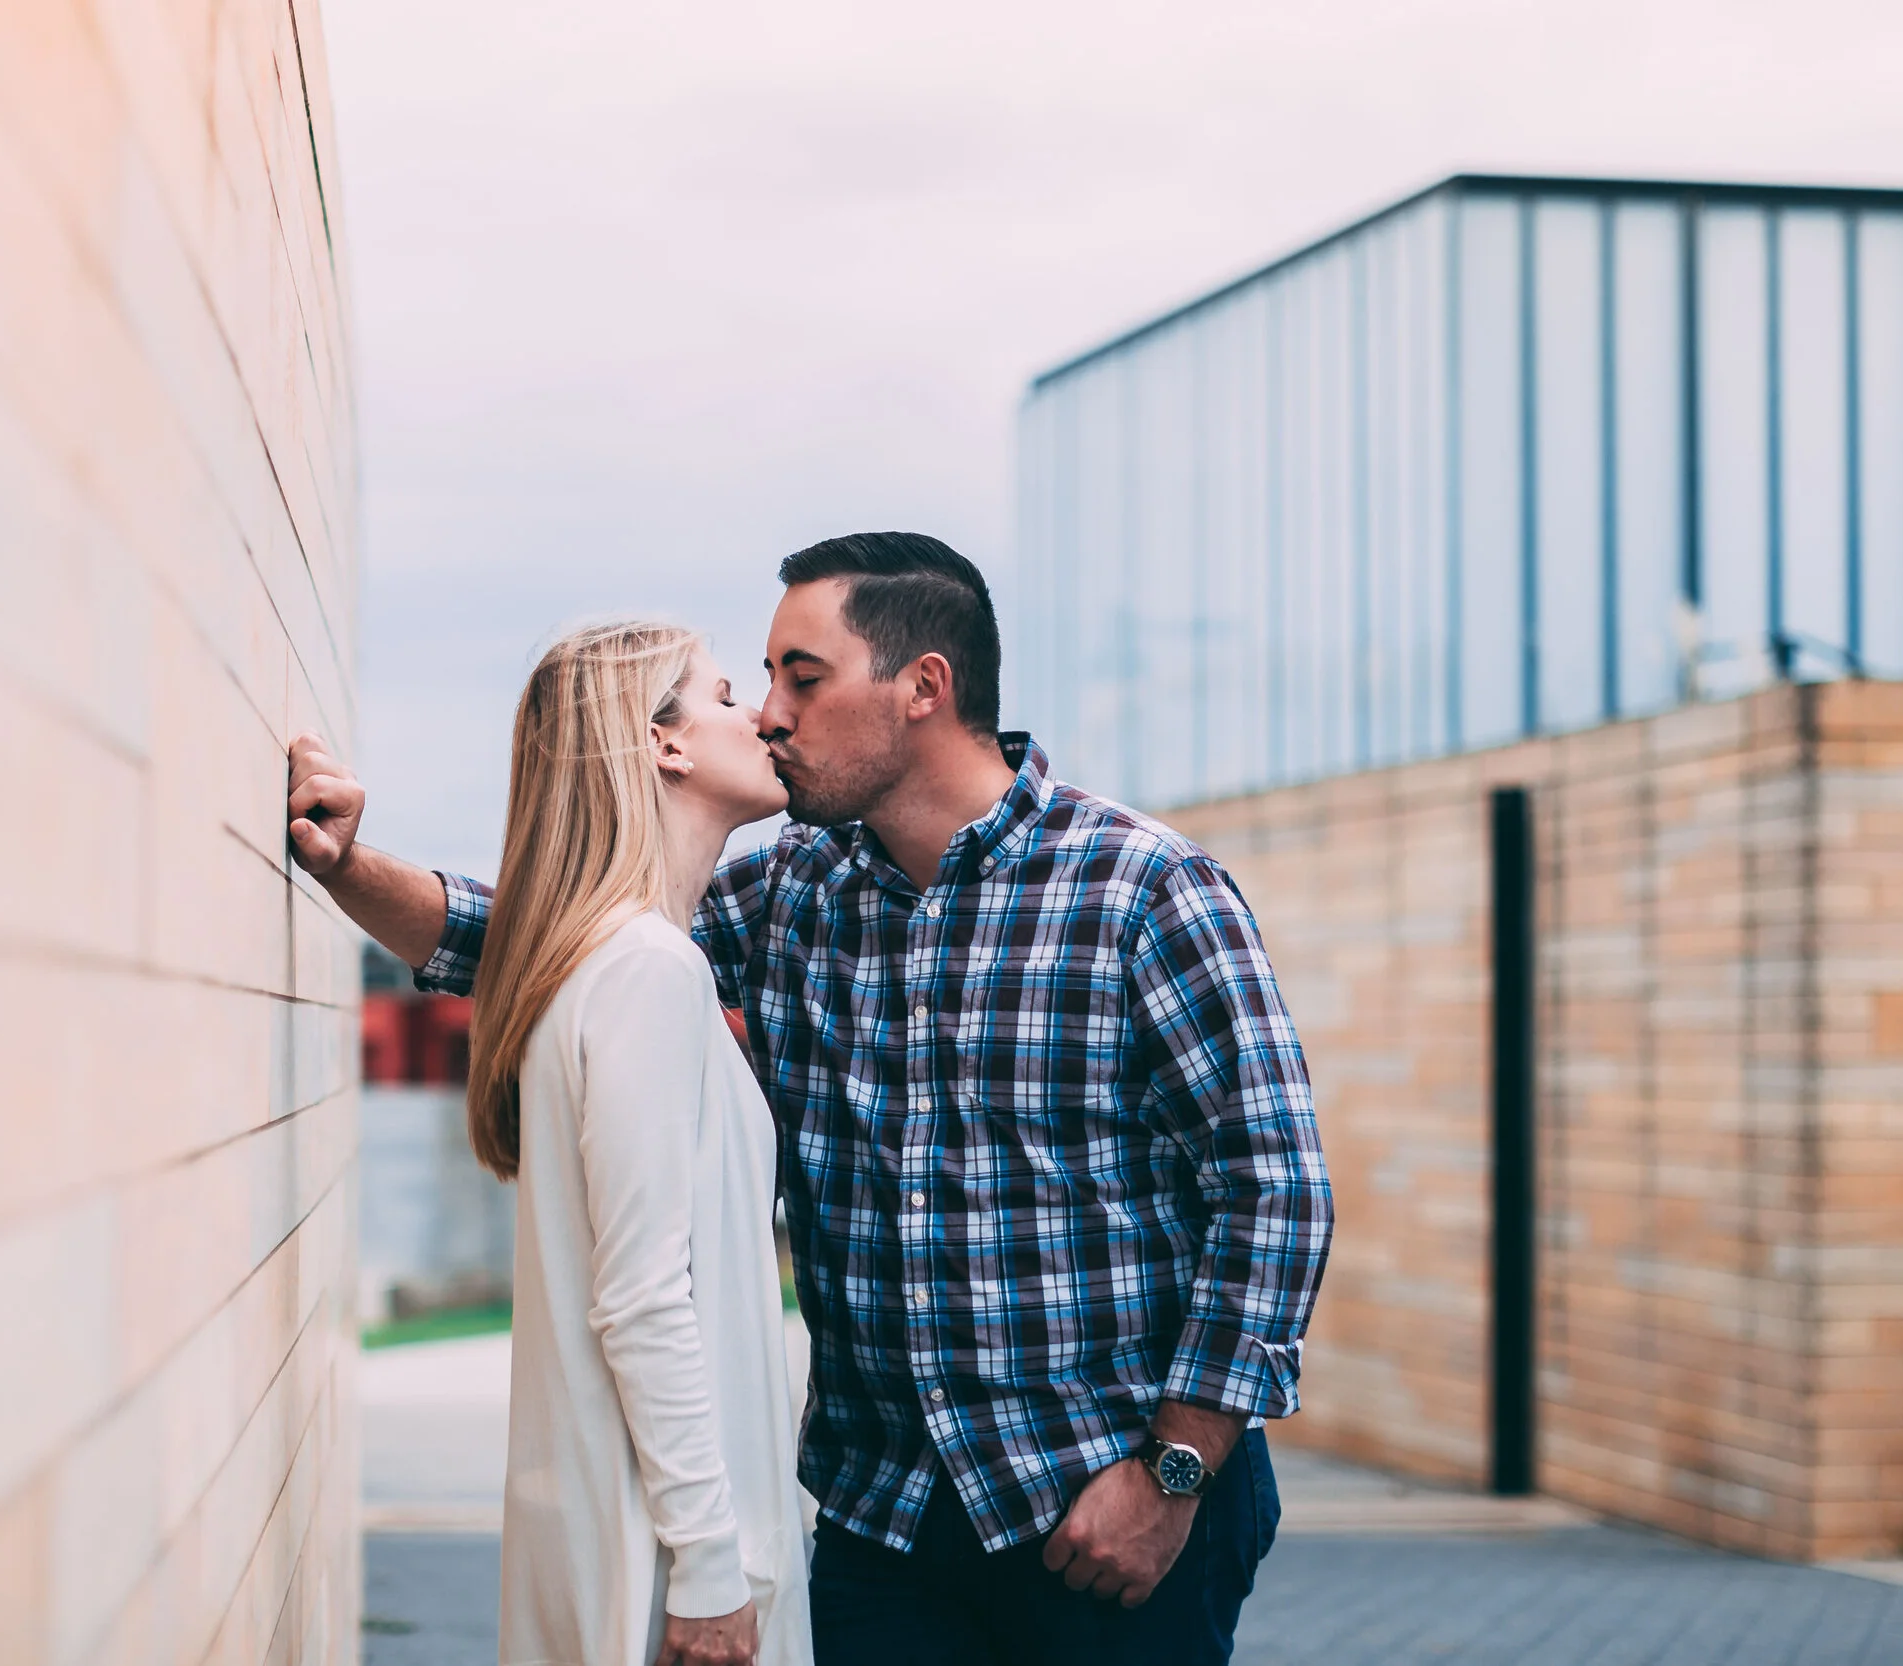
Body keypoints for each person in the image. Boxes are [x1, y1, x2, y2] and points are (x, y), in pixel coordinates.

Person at [290, 533, 1332, 1665]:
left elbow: (1273, 1194)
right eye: (762, 685)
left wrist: (1172, 1472)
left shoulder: (1145, 888)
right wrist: (349, 866)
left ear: (922, 687)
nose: (775, 713)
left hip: (1102, 1509)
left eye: (803, 676)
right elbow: (551, 939)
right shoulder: (792, 890)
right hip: (882, 1526)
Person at [313, 621, 811, 1665]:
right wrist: (714, 1570)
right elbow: (641, 1296)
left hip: (641, 1544)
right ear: (664, 743)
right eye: (726, 695)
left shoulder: (612, 960)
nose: (762, 716)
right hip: (665, 1568)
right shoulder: (646, 972)